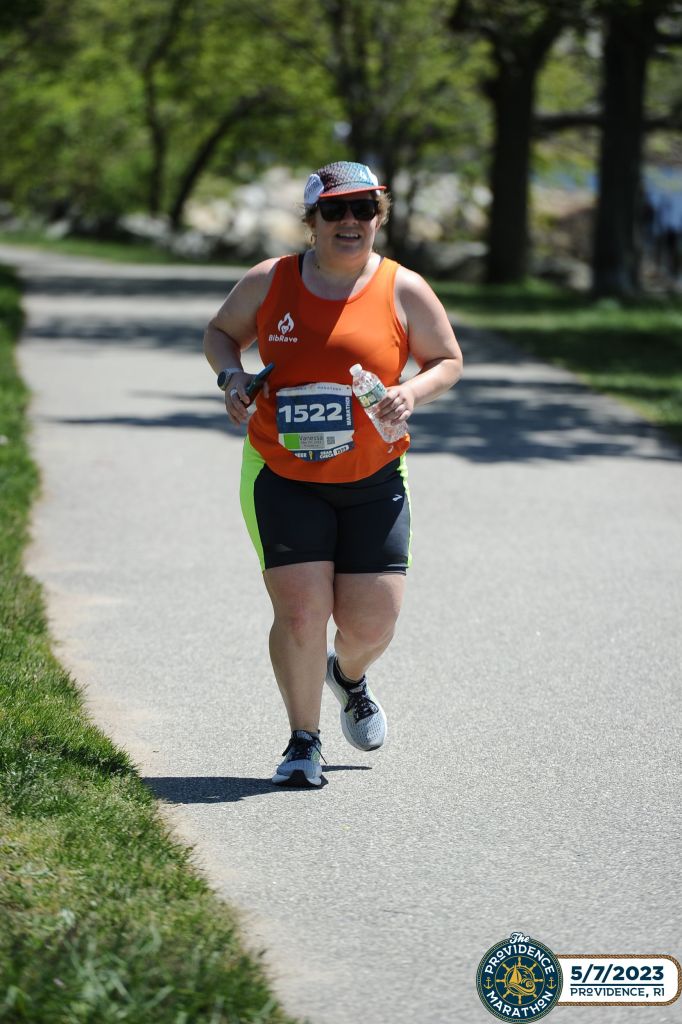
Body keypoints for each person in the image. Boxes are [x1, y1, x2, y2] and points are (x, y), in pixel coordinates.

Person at [203, 161, 462, 787]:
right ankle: (302, 741)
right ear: (312, 220)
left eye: (365, 209)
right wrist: (232, 377)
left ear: (380, 216)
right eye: (336, 211)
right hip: (282, 473)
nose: (352, 222)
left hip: (374, 477)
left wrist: (412, 392)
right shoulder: (272, 281)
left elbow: (448, 359)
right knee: (300, 613)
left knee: (372, 623)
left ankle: (347, 678)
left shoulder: (404, 288)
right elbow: (220, 334)